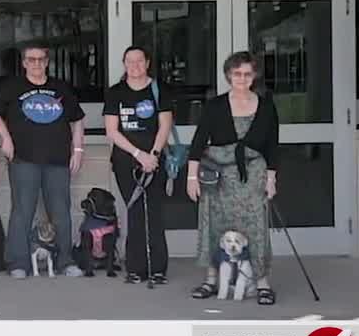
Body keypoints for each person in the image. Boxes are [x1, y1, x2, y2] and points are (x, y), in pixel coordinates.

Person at [186, 51, 279, 306]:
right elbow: (198, 141)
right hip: (219, 176)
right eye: (237, 73)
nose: (242, 78)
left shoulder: (266, 105)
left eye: (247, 73)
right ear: (228, 75)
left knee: (256, 227)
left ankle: (261, 282)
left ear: (254, 76)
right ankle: (211, 279)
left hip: (253, 175)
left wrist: (271, 179)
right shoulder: (215, 105)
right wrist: (191, 177)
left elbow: (272, 145)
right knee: (215, 225)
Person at [0, 43, 86, 279]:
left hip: (58, 159)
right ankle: (18, 263)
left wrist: (78, 149)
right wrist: (6, 138)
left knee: (61, 211)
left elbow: (78, 119)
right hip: (23, 158)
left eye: (40, 59)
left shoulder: (60, 88)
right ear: (24, 63)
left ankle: (65, 261)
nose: (36, 64)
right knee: (22, 211)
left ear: (47, 62)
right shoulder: (12, 87)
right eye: (31, 60)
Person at [103, 45, 173, 285]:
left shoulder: (158, 89)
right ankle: (135, 267)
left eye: (139, 61)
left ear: (148, 62)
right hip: (126, 161)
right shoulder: (115, 92)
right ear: (124, 64)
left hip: (155, 161)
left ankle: (158, 268)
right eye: (130, 61)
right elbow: (112, 131)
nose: (135, 66)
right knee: (134, 211)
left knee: (153, 212)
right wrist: (138, 154)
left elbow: (164, 125)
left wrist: (152, 155)